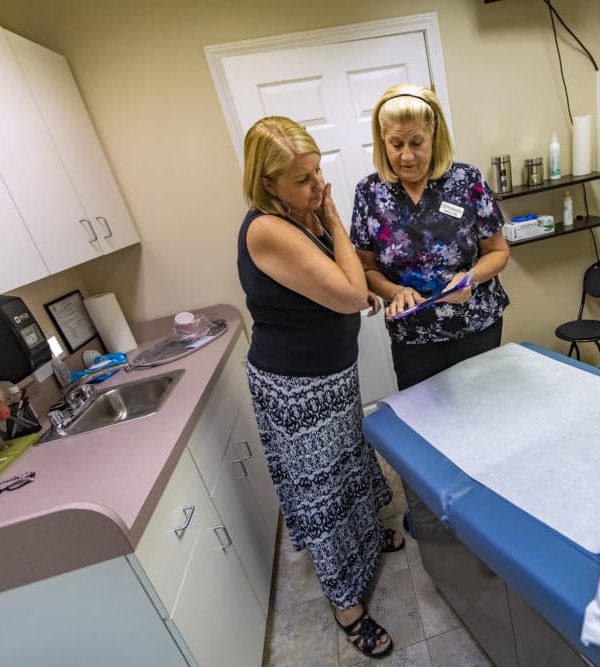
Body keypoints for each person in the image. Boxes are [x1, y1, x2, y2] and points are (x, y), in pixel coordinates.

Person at [238, 116, 403, 659]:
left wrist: (345, 278)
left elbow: (337, 283)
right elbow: (352, 293)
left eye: (318, 174)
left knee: (352, 466)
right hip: (298, 392)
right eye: (303, 180)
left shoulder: (299, 215)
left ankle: (367, 542)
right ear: (267, 184)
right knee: (323, 493)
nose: (318, 187)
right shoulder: (268, 228)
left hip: (332, 376)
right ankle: (348, 608)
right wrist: (333, 215)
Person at [350, 83, 511, 532]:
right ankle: (436, 513)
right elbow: (364, 267)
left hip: (475, 325)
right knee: (427, 429)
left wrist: (473, 276)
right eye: (395, 144)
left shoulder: (466, 181)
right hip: (414, 337)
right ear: (382, 141)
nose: (406, 155)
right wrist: (391, 290)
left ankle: (491, 510)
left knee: (483, 419)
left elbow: (497, 252)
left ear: (433, 137)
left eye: (415, 143)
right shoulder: (370, 194)